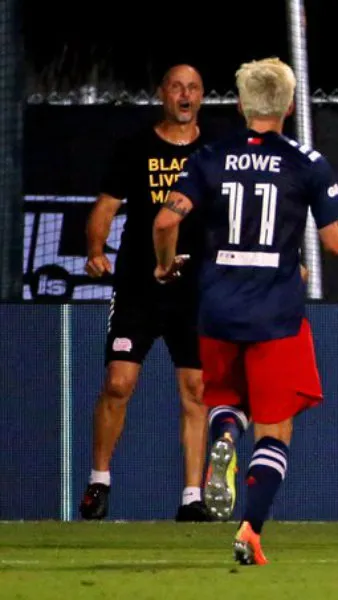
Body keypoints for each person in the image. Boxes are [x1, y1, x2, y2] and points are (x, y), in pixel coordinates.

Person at [152, 56, 338, 565]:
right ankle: (250, 531)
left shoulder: (210, 156)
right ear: (289, 106)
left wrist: (165, 265)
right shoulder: (306, 161)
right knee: (275, 427)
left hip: (218, 308)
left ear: (241, 106)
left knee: (225, 400)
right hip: (276, 315)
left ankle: (224, 434)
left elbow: (164, 222)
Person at [79, 64, 212, 522]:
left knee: (196, 389)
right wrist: (95, 250)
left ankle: (193, 497)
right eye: (177, 87)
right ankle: (99, 481)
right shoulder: (135, 147)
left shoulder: (213, 151)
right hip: (139, 284)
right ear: (162, 94)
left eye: (193, 88)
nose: (185, 95)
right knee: (119, 382)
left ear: (201, 96)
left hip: (194, 288)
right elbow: (105, 207)